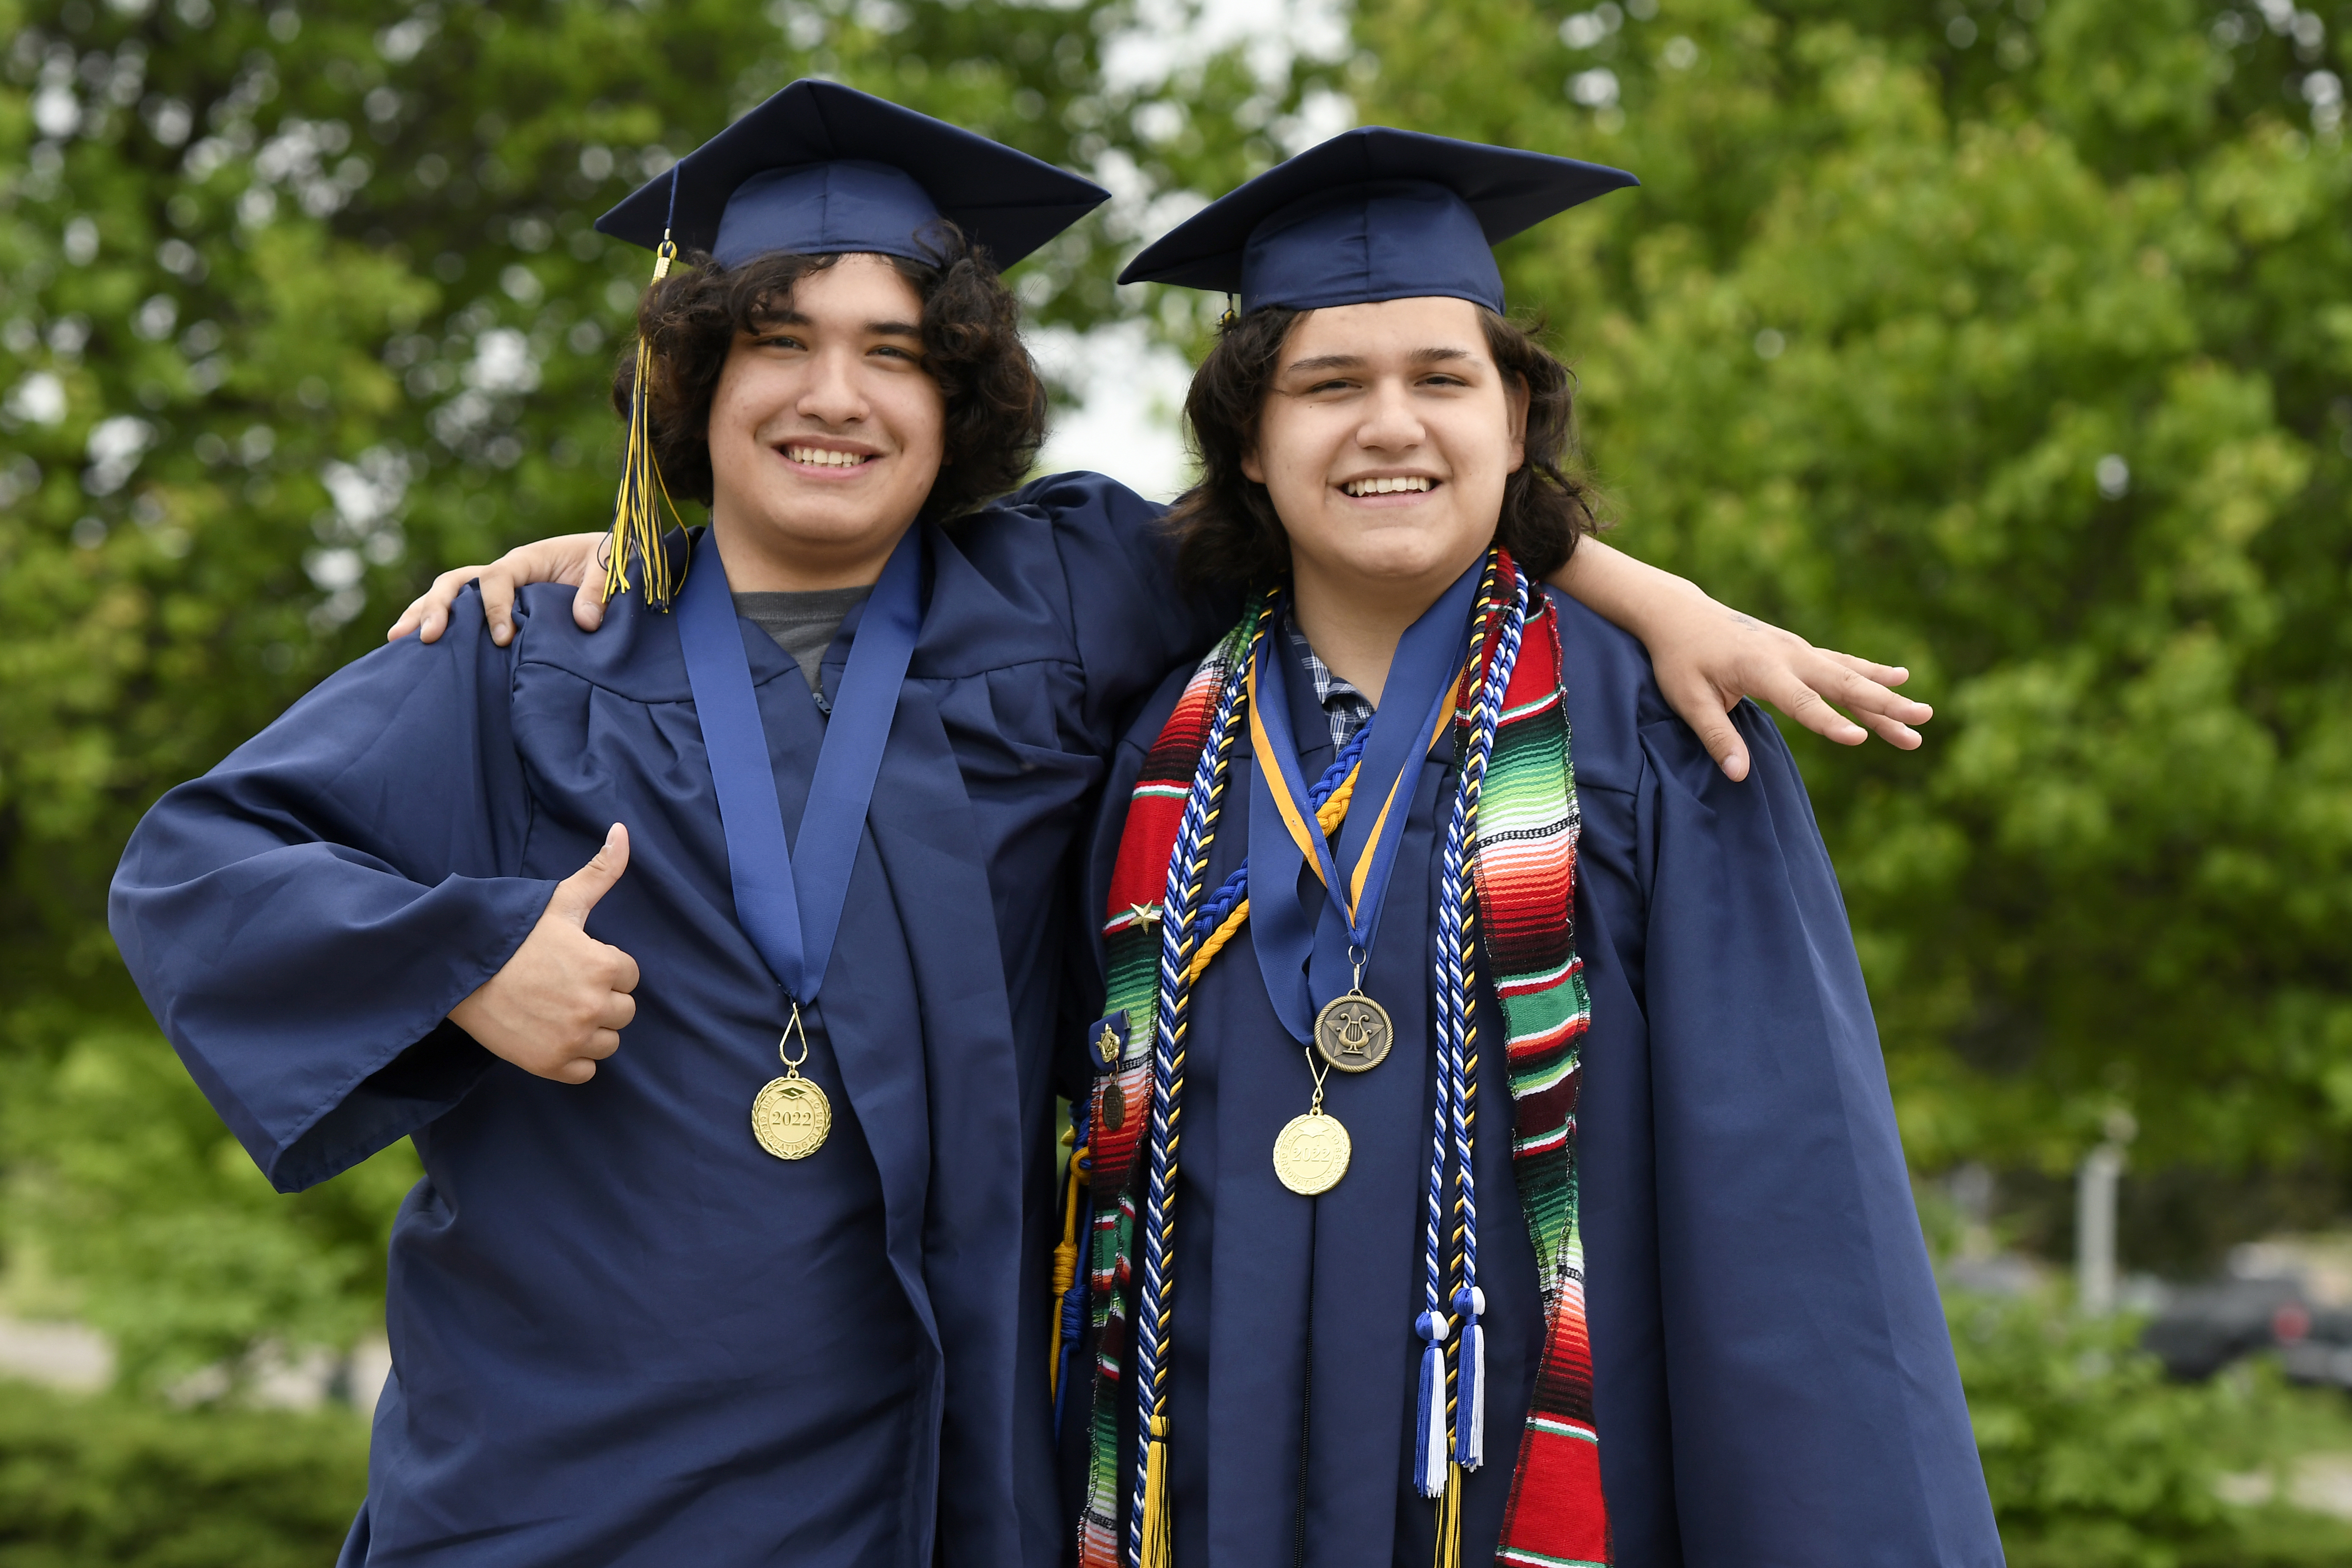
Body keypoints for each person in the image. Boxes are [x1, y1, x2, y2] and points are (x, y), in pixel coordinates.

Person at [114, 81, 1923, 1567]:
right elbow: (195, 866)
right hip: (562, 1489)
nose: (837, 394)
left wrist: (1643, 587)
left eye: (896, 353)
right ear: (691, 381)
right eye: (776, 344)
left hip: (933, 1487)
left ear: (958, 394)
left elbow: (1351, 502)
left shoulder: (1050, 607)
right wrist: (461, 963)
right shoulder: (526, 657)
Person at [1058, 129, 1999, 1568]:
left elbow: (1794, 1220)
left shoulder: (1659, 736)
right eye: (1328, 384)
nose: (1389, 426)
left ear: (1515, 423)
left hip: (1543, 1510)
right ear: (1252, 442)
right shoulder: (1158, 758)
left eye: (1443, 378)